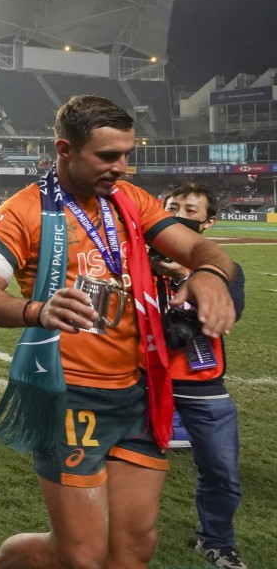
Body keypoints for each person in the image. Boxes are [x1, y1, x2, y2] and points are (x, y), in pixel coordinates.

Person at [0, 95, 237, 569]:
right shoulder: (24, 211)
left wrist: (210, 275)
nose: (122, 168)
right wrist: (36, 310)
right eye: (108, 156)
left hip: (139, 392)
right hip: (71, 396)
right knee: (81, 557)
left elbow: (205, 251)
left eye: (127, 154)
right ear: (65, 149)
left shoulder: (132, 202)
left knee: (133, 549)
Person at [155, 183, 249, 569]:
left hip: (202, 381)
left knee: (222, 472)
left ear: (208, 223)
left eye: (190, 211)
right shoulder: (130, 261)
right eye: (172, 207)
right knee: (117, 462)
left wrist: (184, 276)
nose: (179, 215)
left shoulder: (222, 271)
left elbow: (224, 319)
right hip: (139, 378)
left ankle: (217, 542)